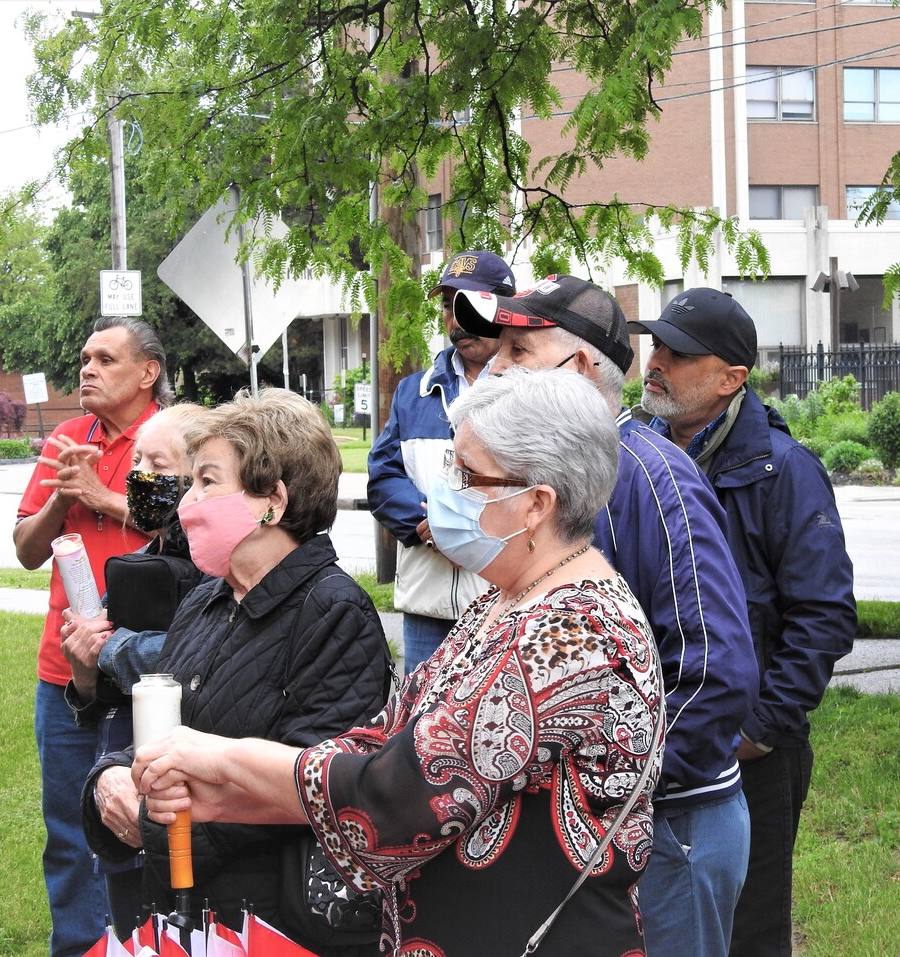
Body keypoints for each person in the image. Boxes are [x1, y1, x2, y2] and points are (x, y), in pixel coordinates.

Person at [132, 367, 663, 955]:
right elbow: (385, 738)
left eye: (466, 474)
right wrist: (233, 792)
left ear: (536, 504)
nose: (444, 492)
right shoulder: (508, 598)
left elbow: (402, 796)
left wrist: (224, 758)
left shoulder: (573, 633)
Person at [453, 275, 757, 957]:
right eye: (497, 349)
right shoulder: (550, 481)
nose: (495, 367)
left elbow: (715, 672)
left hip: (670, 829)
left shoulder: (656, 478)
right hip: (583, 832)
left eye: (518, 352)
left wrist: (608, 787)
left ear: (582, 367)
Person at [81, 388, 392, 945]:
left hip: (271, 924)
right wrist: (109, 780)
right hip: (186, 912)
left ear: (271, 500)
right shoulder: (208, 598)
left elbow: (319, 781)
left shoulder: (332, 611)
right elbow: (164, 727)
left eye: (207, 481)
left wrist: (160, 824)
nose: (184, 503)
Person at [633, 287, 858, 957]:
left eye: (679, 352)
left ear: (732, 377)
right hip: (651, 739)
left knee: (747, 931)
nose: (656, 361)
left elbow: (823, 614)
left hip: (749, 754)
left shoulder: (784, 471)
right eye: (656, 345)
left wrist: (759, 728)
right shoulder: (631, 454)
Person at [14, 315, 169, 957]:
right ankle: (78, 947)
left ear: (147, 373)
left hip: (150, 671)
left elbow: (191, 537)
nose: (87, 370)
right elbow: (26, 550)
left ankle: (145, 942)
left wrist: (102, 497)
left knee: (148, 824)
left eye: (106, 359)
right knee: (70, 833)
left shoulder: (173, 437)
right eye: (85, 358)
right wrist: (61, 496)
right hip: (66, 672)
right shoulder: (66, 438)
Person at [58, 402, 208, 937]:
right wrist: (84, 667)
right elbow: (93, 685)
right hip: (121, 764)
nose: (142, 476)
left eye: (160, 466)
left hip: (188, 777)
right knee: (133, 923)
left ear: (202, 475)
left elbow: (198, 657)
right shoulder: (139, 559)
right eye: (137, 462)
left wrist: (112, 649)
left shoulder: (215, 565)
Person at [368, 250, 517, 674]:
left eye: (468, 305)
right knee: (420, 729)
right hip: (425, 608)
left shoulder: (530, 391)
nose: (456, 319)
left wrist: (468, 530)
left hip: (501, 598)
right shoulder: (413, 392)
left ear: (504, 309)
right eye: (449, 307)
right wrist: (432, 525)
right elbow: (383, 478)